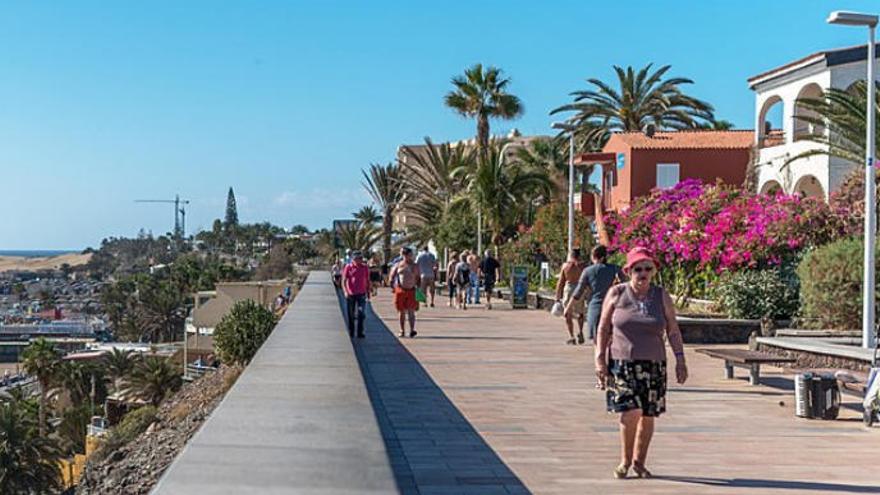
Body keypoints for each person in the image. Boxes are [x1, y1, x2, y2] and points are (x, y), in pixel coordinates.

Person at [595, 247, 688, 479]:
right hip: (623, 364)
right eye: (638, 269)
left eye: (648, 268)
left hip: (654, 364)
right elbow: (603, 328)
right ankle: (625, 461)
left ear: (653, 271)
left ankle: (639, 462)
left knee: (648, 414)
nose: (643, 273)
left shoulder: (661, 296)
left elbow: (673, 330)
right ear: (629, 271)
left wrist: (680, 359)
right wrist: (599, 360)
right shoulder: (617, 293)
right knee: (630, 411)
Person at [566, 245, 625, 342]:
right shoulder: (616, 269)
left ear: (594, 257)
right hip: (614, 307)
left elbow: (578, 291)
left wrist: (568, 307)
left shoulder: (588, 271)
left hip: (595, 307)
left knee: (597, 340)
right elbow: (625, 287)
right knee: (613, 339)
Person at [555, 248, 587, 345]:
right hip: (580, 289)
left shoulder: (566, 266)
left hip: (569, 289)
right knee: (580, 312)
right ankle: (581, 332)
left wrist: (557, 296)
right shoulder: (583, 266)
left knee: (567, 313)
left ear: (570, 255)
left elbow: (561, 282)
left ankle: (571, 336)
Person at [388, 247, 420, 338]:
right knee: (401, 311)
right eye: (407, 255)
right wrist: (392, 286)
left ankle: (412, 330)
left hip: (412, 290)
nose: (409, 257)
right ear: (403, 255)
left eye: (410, 255)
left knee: (411, 311)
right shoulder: (398, 265)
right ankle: (402, 330)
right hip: (401, 290)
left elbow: (418, 278)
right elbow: (392, 276)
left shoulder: (415, 266)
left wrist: (419, 290)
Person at [342, 251, 371, 338]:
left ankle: (360, 332)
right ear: (354, 259)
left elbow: (367, 280)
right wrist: (345, 291)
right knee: (351, 314)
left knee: (361, 313)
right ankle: (351, 331)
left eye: (361, 258)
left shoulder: (364, 268)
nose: (360, 260)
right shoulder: (349, 267)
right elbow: (344, 280)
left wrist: (368, 292)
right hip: (351, 294)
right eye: (358, 258)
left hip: (361, 294)